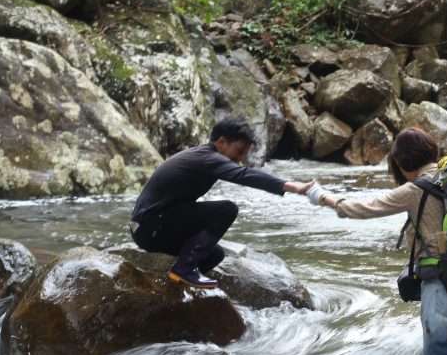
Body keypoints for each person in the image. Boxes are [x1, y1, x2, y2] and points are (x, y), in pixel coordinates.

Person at [307, 128, 447, 355]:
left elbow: (361, 208)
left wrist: (320, 195)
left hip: (442, 286)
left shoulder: (415, 190)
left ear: (401, 162)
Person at [130, 117, 313, 288]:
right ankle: (183, 270)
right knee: (226, 210)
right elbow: (243, 175)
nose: (240, 159)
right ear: (222, 142)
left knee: (214, 255)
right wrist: (290, 186)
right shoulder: (207, 158)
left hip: (151, 227)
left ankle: (175, 286)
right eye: (239, 151)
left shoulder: (204, 156)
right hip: (149, 227)